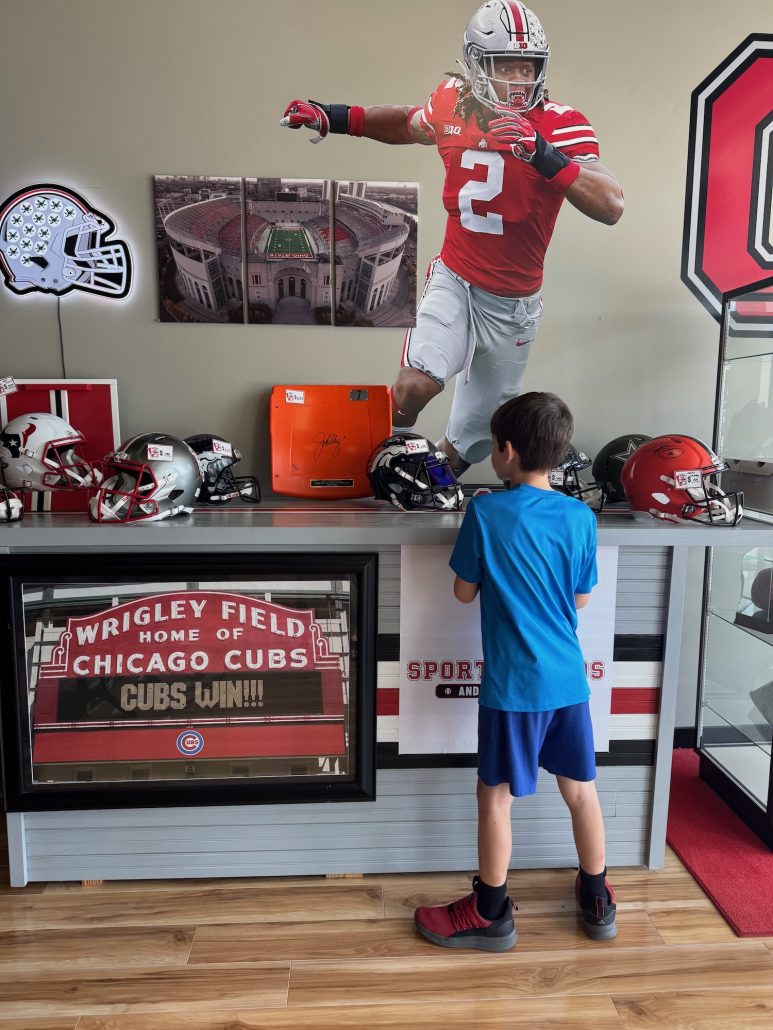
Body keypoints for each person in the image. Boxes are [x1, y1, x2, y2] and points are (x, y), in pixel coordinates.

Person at [280, 1, 623, 476]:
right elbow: (407, 124)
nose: (519, 80)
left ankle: (418, 488)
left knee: (473, 442)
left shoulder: (561, 123)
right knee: (413, 387)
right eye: (506, 66)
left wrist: (541, 153)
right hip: (456, 278)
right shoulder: (451, 101)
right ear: (478, 65)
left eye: (528, 67)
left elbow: (611, 206)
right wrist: (334, 117)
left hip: (514, 304)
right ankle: (377, 462)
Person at [412, 391, 616, 951]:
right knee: (581, 791)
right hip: (568, 683)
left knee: (495, 799)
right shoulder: (580, 517)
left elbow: (462, 591)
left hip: (513, 688)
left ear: (505, 450)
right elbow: (580, 602)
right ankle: (597, 898)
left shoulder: (485, 511)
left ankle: (491, 910)